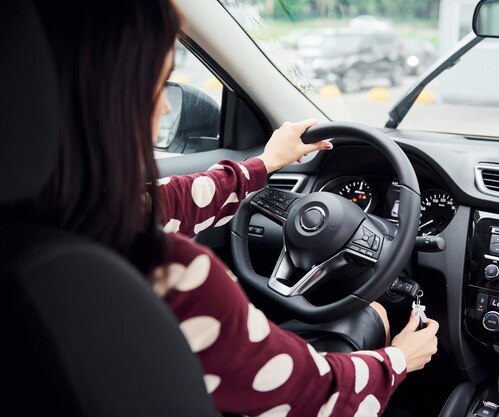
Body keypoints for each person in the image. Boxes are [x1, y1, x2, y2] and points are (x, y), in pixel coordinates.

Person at [20, 1, 439, 416]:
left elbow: (168, 200)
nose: (166, 107)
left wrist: (264, 165)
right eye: (158, 83)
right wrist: (399, 360)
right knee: (372, 317)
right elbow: (313, 396)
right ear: (109, 99)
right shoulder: (173, 274)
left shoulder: (42, 224)